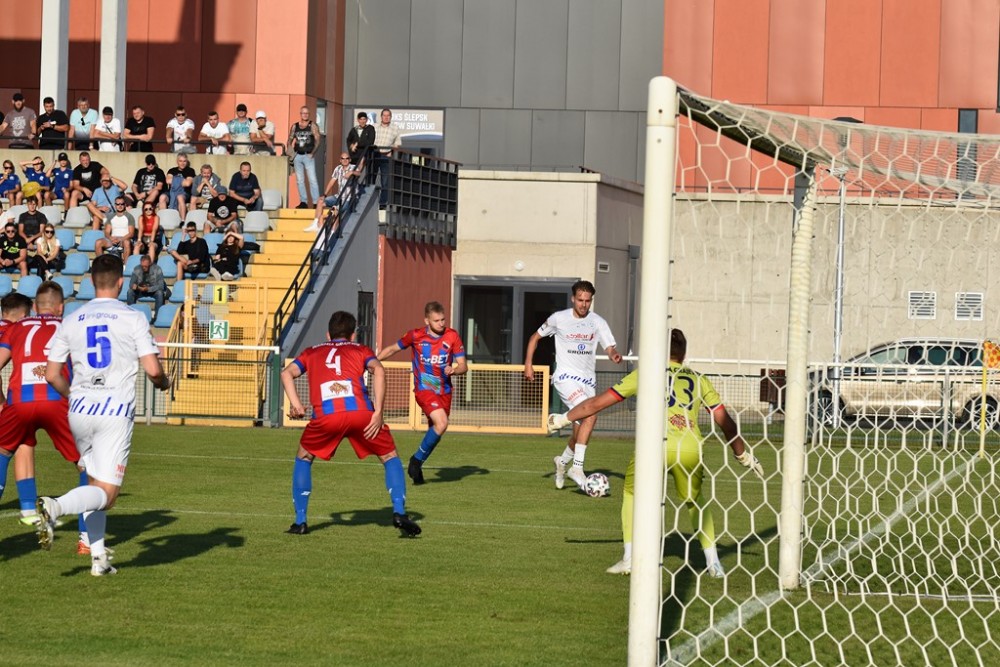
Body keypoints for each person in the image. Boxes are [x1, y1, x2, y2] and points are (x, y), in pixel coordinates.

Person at [547, 328, 765, 577]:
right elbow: (726, 423)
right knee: (695, 501)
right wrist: (742, 456)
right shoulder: (699, 379)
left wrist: (564, 418)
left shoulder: (647, 374)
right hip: (689, 447)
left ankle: (630, 559)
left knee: (631, 493)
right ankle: (714, 564)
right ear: (684, 354)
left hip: (653, 446)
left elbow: (596, 403)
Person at [36, 254, 172, 576]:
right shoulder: (133, 317)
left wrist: (74, 396)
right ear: (121, 282)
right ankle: (56, 506)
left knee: (95, 482)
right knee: (107, 495)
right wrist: (164, 383)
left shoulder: (72, 319)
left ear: (91, 281)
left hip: (79, 410)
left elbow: (53, 374)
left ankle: (99, 560)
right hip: (114, 411)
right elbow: (153, 371)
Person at [280, 310, 421, 537]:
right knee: (389, 457)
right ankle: (399, 512)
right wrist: (378, 411)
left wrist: (297, 406)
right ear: (353, 335)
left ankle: (300, 521)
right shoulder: (361, 350)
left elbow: (286, 373)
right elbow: (379, 369)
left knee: (304, 458)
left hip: (327, 416)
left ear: (328, 334)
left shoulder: (311, 352)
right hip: (361, 414)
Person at [0, 283, 90, 549]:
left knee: (3, 453)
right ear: (61, 307)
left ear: (35, 307)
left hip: (20, 402)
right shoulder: (70, 326)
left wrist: (3, 402)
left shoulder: (16, 327)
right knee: (87, 466)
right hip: (57, 400)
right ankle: (86, 540)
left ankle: (28, 508)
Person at [523, 280, 622, 490]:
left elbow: (609, 347)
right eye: (580, 300)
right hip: (565, 378)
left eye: (587, 301)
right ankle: (577, 468)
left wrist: (613, 354)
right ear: (573, 299)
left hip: (588, 381)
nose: (583, 304)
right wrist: (528, 364)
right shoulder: (559, 318)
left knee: (579, 432)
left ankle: (562, 461)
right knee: (591, 415)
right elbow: (534, 338)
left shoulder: (598, 322)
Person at [377, 301, 467, 485]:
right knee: (442, 423)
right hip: (424, 389)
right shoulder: (415, 336)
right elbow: (393, 348)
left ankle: (417, 467)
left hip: (444, 391)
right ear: (427, 321)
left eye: (443, 320)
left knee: (436, 431)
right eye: (436, 321)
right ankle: (416, 461)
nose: (441, 324)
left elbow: (463, 366)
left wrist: (454, 370)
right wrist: (372, 362)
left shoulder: (452, 336)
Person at [305, 153, 357, 232]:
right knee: (320, 201)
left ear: (350, 160)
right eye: (343, 158)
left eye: (347, 158)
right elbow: (331, 182)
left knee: (336, 210)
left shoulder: (353, 167)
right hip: (338, 197)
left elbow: (359, 173)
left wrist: (352, 172)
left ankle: (332, 232)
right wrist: (325, 195)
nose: (345, 160)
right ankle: (315, 224)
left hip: (348, 199)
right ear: (340, 160)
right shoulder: (338, 168)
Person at [289, 106, 321, 208]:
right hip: (298, 155)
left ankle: (316, 202)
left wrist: (313, 153)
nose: (305, 115)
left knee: (312, 180)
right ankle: (303, 202)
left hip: (308, 155)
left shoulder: (312, 125)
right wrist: (290, 152)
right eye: (303, 113)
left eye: (307, 113)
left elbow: (318, 140)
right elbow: (290, 139)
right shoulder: (295, 126)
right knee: (300, 180)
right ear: (300, 114)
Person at [373, 108, 401, 207]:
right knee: (371, 179)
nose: (386, 117)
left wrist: (392, 151)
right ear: (381, 117)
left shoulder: (395, 128)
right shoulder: (374, 126)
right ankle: (370, 202)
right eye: (384, 115)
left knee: (385, 182)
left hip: (386, 156)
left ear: (391, 117)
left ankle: (382, 203)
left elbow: (397, 143)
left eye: (388, 115)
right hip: (374, 154)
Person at [126, 253, 168, 319]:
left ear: (150, 264)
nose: (144, 268)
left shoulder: (157, 269)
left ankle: (157, 317)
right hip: (140, 290)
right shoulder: (136, 269)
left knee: (160, 293)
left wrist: (148, 289)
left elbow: (161, 286)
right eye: (142, 266)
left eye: (146, 266)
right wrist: (135, 287)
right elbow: (131, 284)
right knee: (130, 292)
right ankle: (131, 315)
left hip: (153, 291)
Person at [167, 153, 196, 219]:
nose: (182, 163)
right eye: (180, 161)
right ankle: (167, 219)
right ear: (177, 161)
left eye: (184, 161)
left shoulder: (190, 171)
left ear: (186, 162)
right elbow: (168, 181)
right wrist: (183, 180)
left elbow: (188, 183)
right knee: (162, 197)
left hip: (185, 192)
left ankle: (182, 220)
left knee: (179, 197)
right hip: (172, 191)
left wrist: (174, 180)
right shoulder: (172, 170)